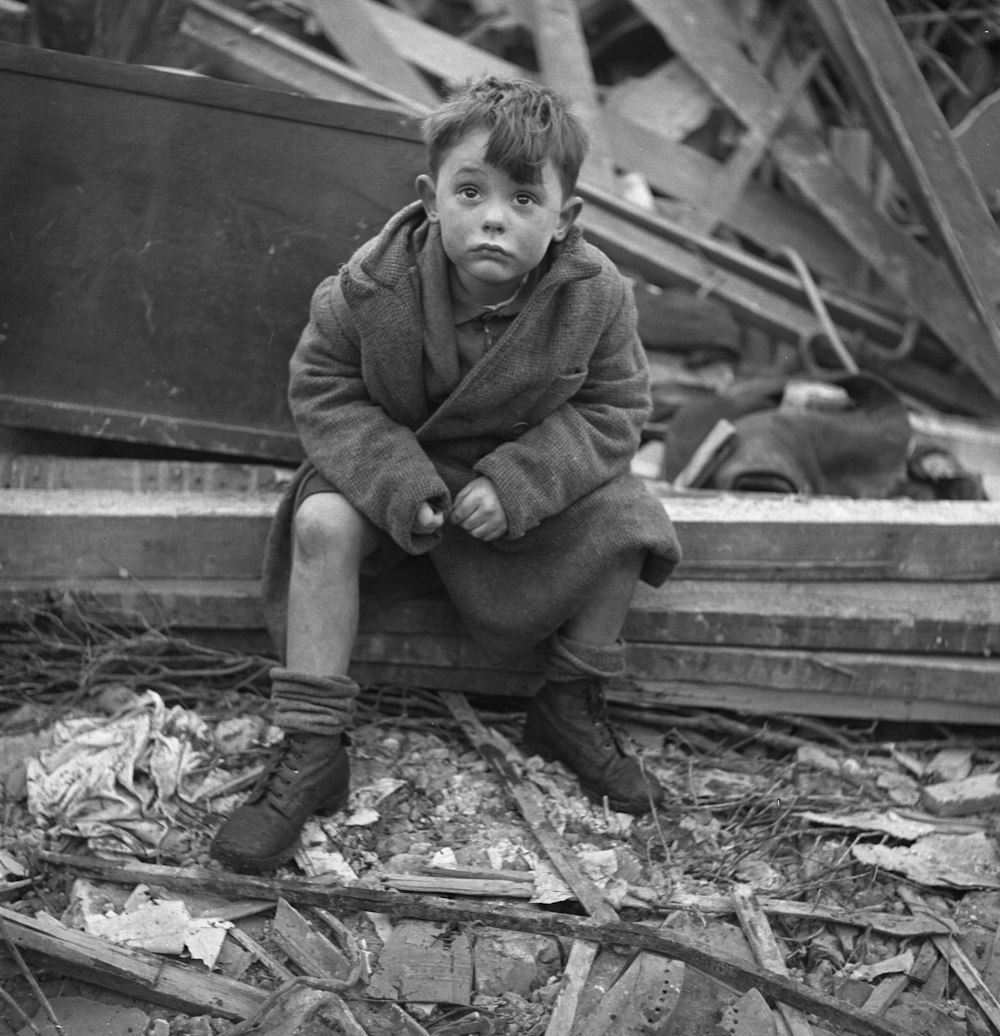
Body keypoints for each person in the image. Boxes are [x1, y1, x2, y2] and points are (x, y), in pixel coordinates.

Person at [209, 75, 681, 873]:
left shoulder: (596, 299)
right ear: (431, 198)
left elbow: (615, 408)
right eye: (471, 191)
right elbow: (323, 392)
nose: (494, 217)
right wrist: (399, 481)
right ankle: (314, 746)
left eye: (524, 201)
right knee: (321, 524)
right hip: (397, 469)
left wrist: (519, 482)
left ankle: (568, 705)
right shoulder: (368, 286)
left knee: (634, 524)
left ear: (564, 218)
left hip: (517, 485)